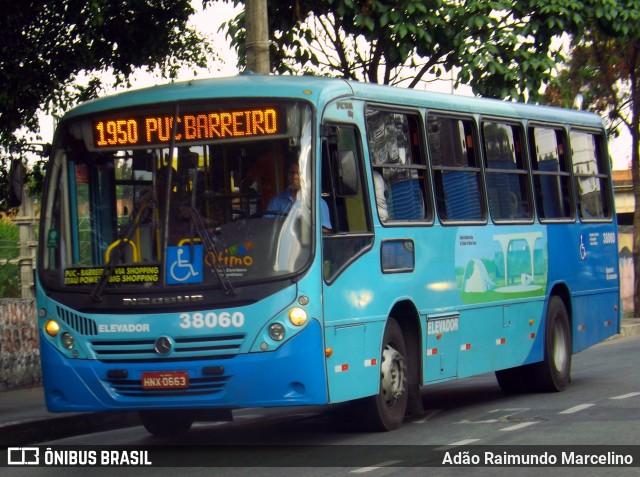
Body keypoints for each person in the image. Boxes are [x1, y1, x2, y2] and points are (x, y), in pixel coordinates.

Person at [266, 162, 332, 231]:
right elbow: (266, 225)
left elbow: (324, 231)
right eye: (292, 173)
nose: (294, 177)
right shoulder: (276, 201)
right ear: (288, 176)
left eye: (299, 173)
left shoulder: (318, 203)